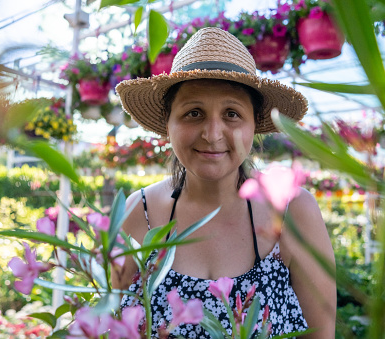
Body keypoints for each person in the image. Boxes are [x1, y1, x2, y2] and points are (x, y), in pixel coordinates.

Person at [113, 27, 336, 338]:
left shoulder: (290, 210)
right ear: (168, 125)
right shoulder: (139, 212)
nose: (212, 134)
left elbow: (321, 334)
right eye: (193, 113)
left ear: (253, 126)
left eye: (232, 113)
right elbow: (109, 322)